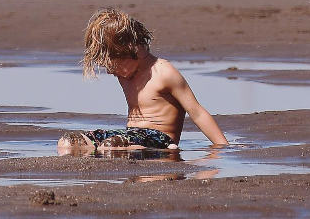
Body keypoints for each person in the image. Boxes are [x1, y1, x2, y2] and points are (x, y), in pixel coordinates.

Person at [57, 8, 228, 153]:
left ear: (133, 49)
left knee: (111, 147)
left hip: (158, 138)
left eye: (114, 65)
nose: (110, 72)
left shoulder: (164, 73)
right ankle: (103, 151)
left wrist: (222, 146)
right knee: (68, 142)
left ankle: (140, 150)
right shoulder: (125, 73)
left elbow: (196, 112)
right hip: (128, 136)